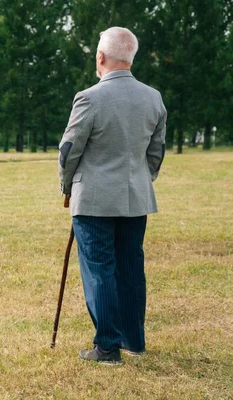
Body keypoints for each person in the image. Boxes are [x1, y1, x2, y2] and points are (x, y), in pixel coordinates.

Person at [58, 27, 166, 364]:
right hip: (136, 198)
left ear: (100, 58)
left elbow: (69, 150)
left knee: (100, 269)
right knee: (131, 268)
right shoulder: (154, 97)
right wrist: (141, 178)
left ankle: (107, 347)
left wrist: (66, 186)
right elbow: (156, 151)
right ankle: (134, 340)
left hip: (93, 200)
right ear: (130, 59)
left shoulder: (89, 97)